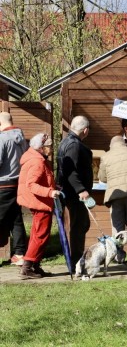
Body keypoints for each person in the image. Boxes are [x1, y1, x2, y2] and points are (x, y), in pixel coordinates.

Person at [17, 133, 61, 279]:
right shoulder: (37, 162)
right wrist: (50, 192)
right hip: (40, 203)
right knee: (40, 236)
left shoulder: (36, 158)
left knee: (38, 235)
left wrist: (54, 186)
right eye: (49, 146)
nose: (52, 149)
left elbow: (42, 180)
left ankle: (34, 266)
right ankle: (27, 267)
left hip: (38, 201)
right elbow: (32, 184)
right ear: (41, 148)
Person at [98, 136, 127, 264]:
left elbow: (102, 177)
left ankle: (119, 257)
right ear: (124, 143)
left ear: (111, 145)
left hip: (115, 194)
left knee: (117, 226)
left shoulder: (106, 156)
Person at [57, 115, 93, 265]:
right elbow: (70, 171)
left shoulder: (66, 141)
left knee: (81, 224)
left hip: (69, 191)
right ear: (85, 130)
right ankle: (77, 261)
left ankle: (76, 259)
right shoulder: (74, 144)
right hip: (75, 193)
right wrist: (81, 190)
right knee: (80, 225)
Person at [0, 112, 28, 266]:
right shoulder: (22, 139)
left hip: (2, 184)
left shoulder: (1, 138)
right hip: (17, 183)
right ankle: (19, 254)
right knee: (16, 220)